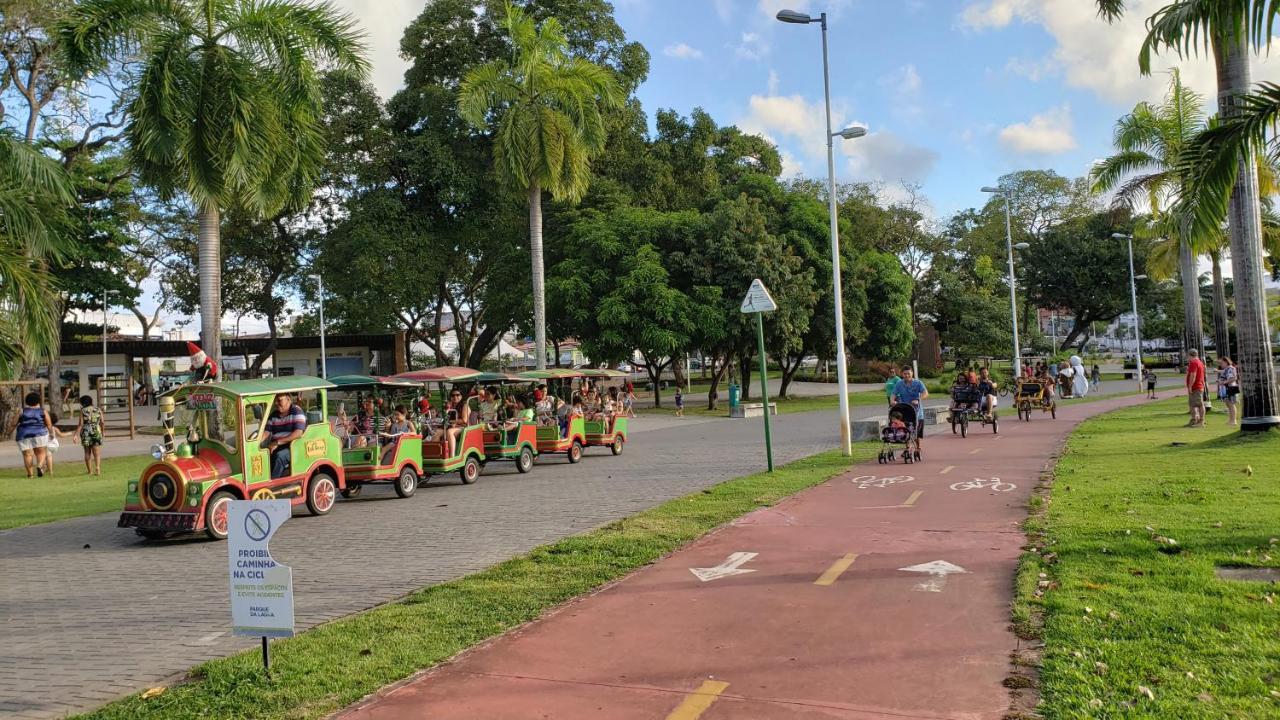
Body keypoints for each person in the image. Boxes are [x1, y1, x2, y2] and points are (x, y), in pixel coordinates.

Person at [264, 393, 306, 478]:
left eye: (279, 400)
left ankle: (273, 483)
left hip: (293, 446)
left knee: (280, 456)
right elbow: (266, 433)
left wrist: (277, 442)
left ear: (289, 400)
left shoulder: (297, 412)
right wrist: (253, 444)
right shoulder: (273, 415)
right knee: (262, 454)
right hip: (276, 445)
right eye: (276, 400)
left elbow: (298, 433)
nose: (276, 403)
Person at [14, 392, 54, 478]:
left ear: (27, 401)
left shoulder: (22, 411)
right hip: (40, 433)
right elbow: (49, 424)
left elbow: (14, 423)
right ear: (38, 401)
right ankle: (39, 465)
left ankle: (30, 475)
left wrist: (9, 431)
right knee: (41, 453)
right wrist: (51, 433)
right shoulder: (43, 411)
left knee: (27, 454)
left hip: (23, 434)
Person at [890, 367, 929, 446]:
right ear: (902, 374)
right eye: (905, 374)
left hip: (916, 411)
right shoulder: (899, 384)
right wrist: (892, 401)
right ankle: (907, 448)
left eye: (908, 373)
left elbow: (925, 393)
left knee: (916, 432)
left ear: (912, 373)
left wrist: (918, 399)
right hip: (905, 409)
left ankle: (918, 448)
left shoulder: (918, 383)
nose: (907, 375)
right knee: (905, 429)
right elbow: (893, 394)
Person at [75, 395, 104, 476]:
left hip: (86, 432)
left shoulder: (82, 410)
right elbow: (102, 422)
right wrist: (103, 431)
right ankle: (97, 467)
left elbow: (80, 424)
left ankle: (90, 471)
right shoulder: (98, 409)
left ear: (83, 403)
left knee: (87, 452)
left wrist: (75, 434)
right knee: (97, 452)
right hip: (96, 431)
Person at [1185, 349, 1207, 427]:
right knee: (1192, 404)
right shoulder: (1199, 362)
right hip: (1198, 386)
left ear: (1190, 355)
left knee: (1199, 404)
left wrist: (1190, 386)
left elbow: (1193, 375)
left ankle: (1201, 421)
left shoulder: (1194, 362)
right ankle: (1194, 420)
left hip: (1196, 386)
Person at [1216, 356, 1239, 427]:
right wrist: (1220, 381)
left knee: (1231, 405)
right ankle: (1231, 420)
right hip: (1227, 388)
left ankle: (1233, 420)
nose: (1220, 365)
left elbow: (1233, 378)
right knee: (1228, 405)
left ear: (1226, 362)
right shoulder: (1227, 369)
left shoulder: (1230, 368)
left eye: (1221, 363)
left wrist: (1223, 382)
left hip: (1230, 388)